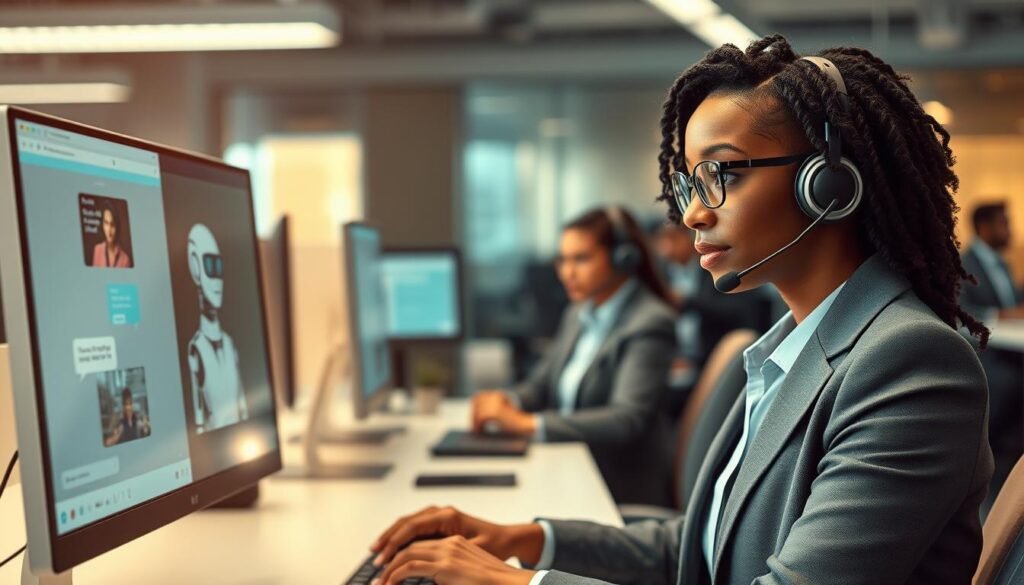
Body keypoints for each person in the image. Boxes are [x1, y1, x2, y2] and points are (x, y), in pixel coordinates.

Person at [367, 35, 993, 585]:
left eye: (721, 174)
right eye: (692, 182)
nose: (693, 211)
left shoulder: (909, 363)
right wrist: (520, 539)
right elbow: (698, 552)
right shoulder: (789, 351)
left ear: (827, 184)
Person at [472, 206, 678, 506]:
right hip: (569, 468)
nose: (567, 273)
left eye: (581, 259)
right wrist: (507, 402)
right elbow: (540, 383)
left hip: (613, 486)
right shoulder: (578, 313)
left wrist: (527, 424)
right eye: (562, 260)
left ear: (624, 258)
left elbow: (626, 418)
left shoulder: (650, 322)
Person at [91, 204, 132, 268]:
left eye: (112, 224)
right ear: (102, 225)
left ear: (117, 227)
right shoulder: (97, 249)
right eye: (106, 223)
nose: (109, 230)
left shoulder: (125, 260)